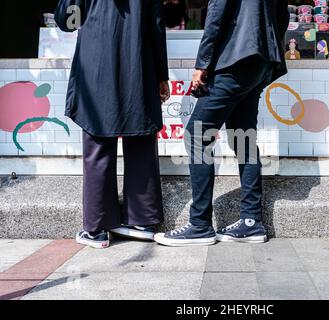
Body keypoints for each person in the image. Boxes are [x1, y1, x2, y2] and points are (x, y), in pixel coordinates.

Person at [155, 0, 289, 246]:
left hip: (235, 58)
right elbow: (282, 16)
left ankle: (199, 225)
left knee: (196, 135)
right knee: (242, 137)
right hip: (261, 60)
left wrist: (201, 64)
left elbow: (216, 14)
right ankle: (251, 222)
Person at [55, 0, 170, 249]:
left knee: (98, 145)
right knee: (140, 141)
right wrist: (162, 74)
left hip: (95, 67)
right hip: (139, 66)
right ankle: (142, 221)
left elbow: (66, 20)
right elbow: (156, 27)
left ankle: (97, 229)